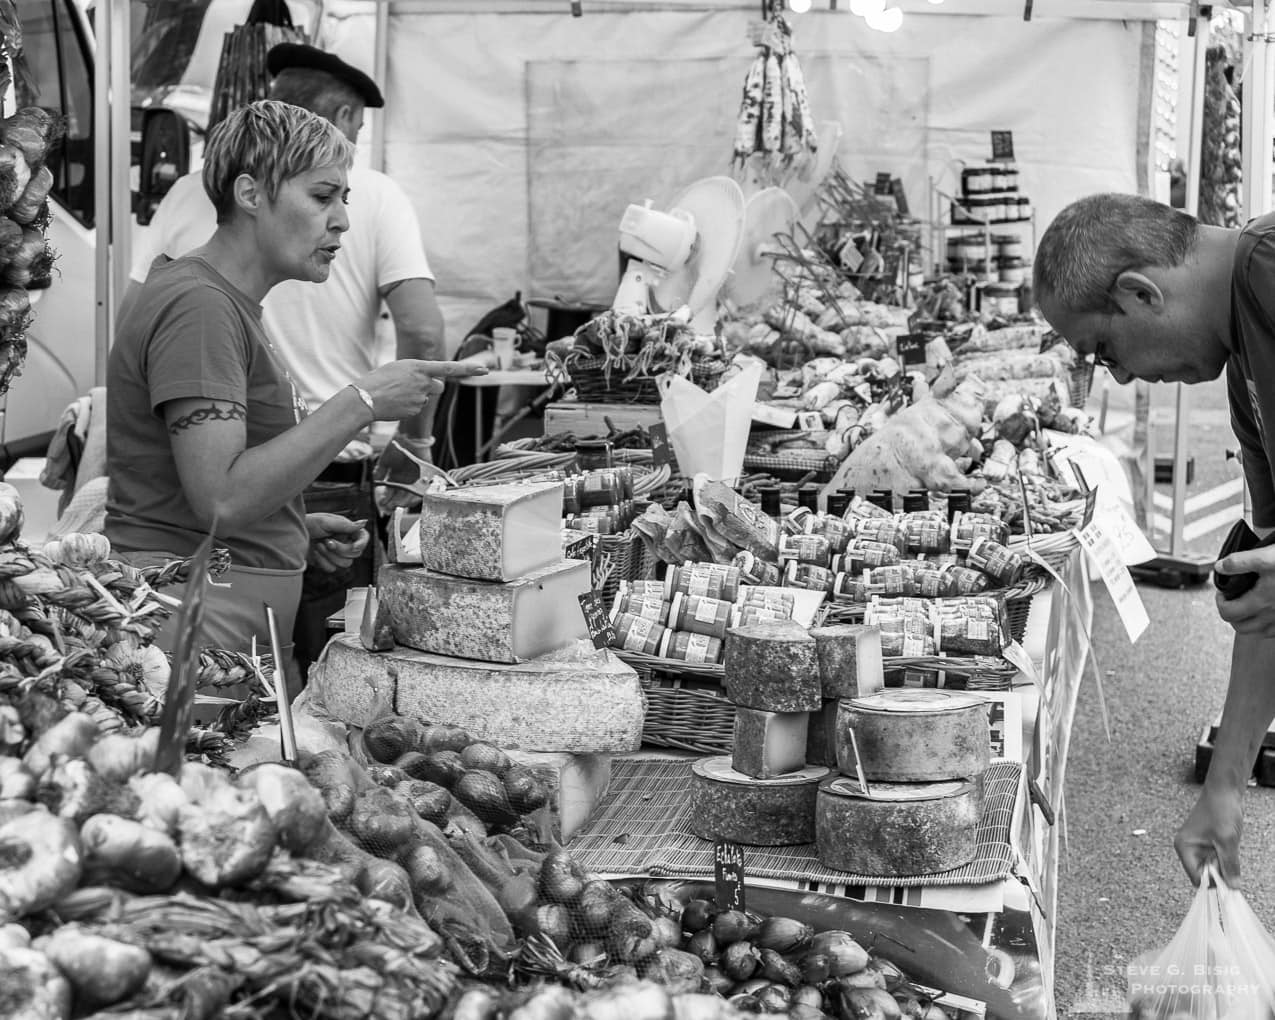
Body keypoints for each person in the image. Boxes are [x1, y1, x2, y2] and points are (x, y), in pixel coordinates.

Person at [107, 100, 483, 686]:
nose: (342, 222)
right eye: (321, 196)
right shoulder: (200, 308)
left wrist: (288, 527)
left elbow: (201, 492)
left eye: (345, 200)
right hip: (192, 637)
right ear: (251, 194)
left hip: (224, 628)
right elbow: (222, 499)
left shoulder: (227, 304)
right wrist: (361, 402)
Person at [1033, 192, 1275, 887]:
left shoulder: (1265, 267)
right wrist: (1224, 786)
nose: (1118, 375)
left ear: (1139, 292)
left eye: (1103, 349)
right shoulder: (1244, 371)